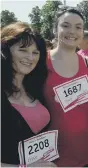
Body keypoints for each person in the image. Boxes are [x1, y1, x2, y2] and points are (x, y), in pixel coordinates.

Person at [43, 7, 88, 167]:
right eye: (66, 25)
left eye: (78, 27)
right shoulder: (40, 64)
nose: (72, 31)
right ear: (55, 29)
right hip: (56, 159)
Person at [1, 22, 56, 167]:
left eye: (35, 52)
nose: (30, 57)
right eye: (23, 50)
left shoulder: (35, 88)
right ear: (5, 50)